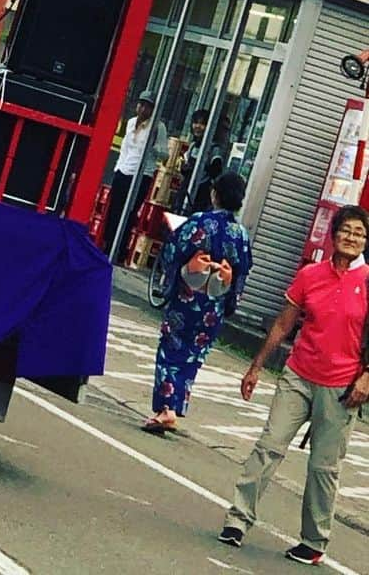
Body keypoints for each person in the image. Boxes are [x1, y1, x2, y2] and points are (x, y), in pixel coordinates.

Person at [218, 206, 369, 565]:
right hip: (298, 375)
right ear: (333, 235)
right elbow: (284, 326)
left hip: (341, 386)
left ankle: (314, 541)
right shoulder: (310, 275)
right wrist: (255, 366)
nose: (352, 238)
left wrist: (366, 376)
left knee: (323, 467)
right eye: (346, 231)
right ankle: (237, 521)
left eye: (359, 233)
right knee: (269, 445)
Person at [143, 171, 252, 435]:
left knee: (170, 351)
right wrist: (229, 294)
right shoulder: (241, 235)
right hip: (213, 305)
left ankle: (166, 408)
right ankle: (177, 404)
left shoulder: (198, 222)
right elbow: (243, 270)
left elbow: (173, 250)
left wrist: (173, 275)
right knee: (193, 356)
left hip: (187, 297)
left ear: (215, 194)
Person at [103, 91, 169, 255]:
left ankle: (120, 248)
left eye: (148, 106)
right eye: (141, 104)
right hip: (124, 170)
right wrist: (118, 168)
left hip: (141, 174)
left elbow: (164, 154)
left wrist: (153, 146)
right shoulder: (131, 122)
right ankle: (107, 243)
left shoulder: (158, 127)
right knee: (114, 209)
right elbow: (125, 148)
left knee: (130, 211)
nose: (143, 109)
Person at [174, 109, 225, 215]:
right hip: (185, 189)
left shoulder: (214, 148)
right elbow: (185, 167)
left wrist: (203, 167)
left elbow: (216, 171)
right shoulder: (193, 146)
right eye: (195, 122)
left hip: (201, 193)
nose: (197, 126)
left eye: (202, 124)